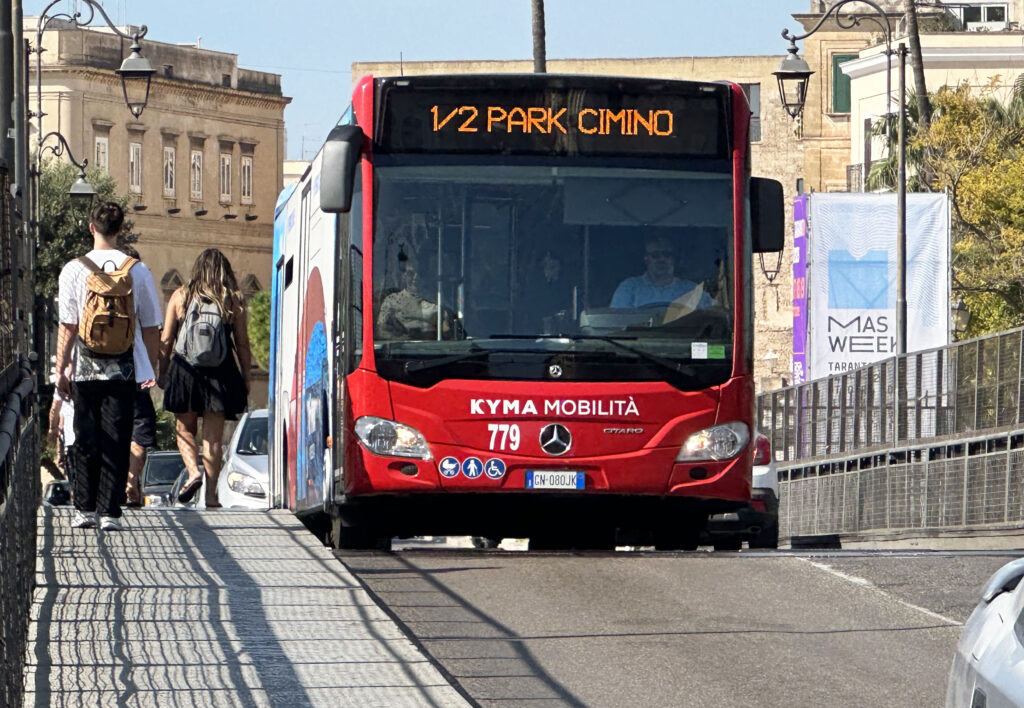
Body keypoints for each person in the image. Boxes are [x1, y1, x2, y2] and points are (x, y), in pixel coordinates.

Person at [55, 201, 162, 531]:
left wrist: (61, 370)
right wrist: (152, 367)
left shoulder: (74, 270)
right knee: (117, 436)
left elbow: (68, 326)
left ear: (92, 228)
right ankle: (110, 512)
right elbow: (151, 325)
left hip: (85, 367)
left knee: (85, 436)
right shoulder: (137, 271)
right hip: (125, 368)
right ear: (119, 230)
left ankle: (84, 508)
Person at [158, 248, 251, 508]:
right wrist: (246, 376)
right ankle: (211, 496)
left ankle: (193, 471)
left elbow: (166, 339)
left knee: (184, 429)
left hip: (185, 370)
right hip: (220, 373)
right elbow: (242, 343)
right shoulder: (232, 299)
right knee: (213, 440)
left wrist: (162, 371)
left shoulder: (181, 296)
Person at [118, 245, 158, 508]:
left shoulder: (93, 275)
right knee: (140, 427)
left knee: (111, 428)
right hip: (136, 369)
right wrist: (152, 369)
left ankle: (117, 484)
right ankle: (132, 480)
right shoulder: (141, 277)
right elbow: (152, 328)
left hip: (100, 370)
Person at [610, 236, 714, 309]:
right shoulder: (629, 288)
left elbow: (714, 313)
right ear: (646, 259)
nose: (662, 259)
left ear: (673, 259)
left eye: (667, 255)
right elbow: (617, 322)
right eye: (655, 255)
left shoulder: (691, 290)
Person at [377, 256, 440, 340]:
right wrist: (397, 339)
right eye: (411, 273)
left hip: (434, 348)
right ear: (404, 276)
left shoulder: (437, 299)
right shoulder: (392, 300)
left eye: (420, 273)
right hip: (405, 350)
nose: (415, 277)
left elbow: (447, 328)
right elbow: (381, 330)